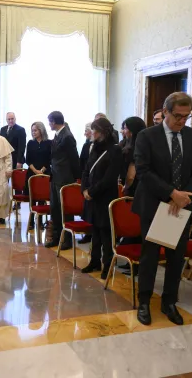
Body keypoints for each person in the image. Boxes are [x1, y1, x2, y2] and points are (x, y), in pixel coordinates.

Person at [133, 92, 192, 326]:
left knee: (176, 257)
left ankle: (169, 301)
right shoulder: (147, 136)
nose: (182, 121)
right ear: (165, 111)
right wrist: (171, 193)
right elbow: (143, 171)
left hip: (180, 206)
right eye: (177, 116)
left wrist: (182, 196)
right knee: (150, 256)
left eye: (186, 116)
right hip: (154, 204)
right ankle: (144, 301)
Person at [81, 119, 123, 278]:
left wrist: (92, 191)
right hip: (92, 197)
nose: (92, 133)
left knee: (106, 233)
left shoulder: (115, 150)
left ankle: (108, 265)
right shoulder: (94, 147)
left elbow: (109, 178)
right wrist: (84, 189)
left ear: (103, 132)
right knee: (95, 231)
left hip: (105, 197)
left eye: (95, 131)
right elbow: (86, 170)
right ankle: (95, 261)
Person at [45, 111, 80, 250]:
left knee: (65, 209)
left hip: (65, 178)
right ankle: (57, 236)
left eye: (49, 121)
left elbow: (74, 158)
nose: (49, 124)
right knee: (55, 209)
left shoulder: (67, 136)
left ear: (54, 122)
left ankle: (67, 239)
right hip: (56, 177)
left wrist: (77, 178)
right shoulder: (58, 134)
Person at [24, 122, 52, 230]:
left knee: (42, 197)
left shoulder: (49, 143)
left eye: (35, 130)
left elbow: (50, 158)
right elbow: (28, 159)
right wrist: (35, 171)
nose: (33, 132)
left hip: (45, 172)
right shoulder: (30, 143)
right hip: (32, 172)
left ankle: (40, 221)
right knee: (33, 197)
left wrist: (42, 170)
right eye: (32, 131)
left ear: (41, 130)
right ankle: (31, 221)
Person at [121, 117, 146, 197]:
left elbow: (131, 176)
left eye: (125, 128)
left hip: (133, 189)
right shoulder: (146, 145)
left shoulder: (132, 148)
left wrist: (126, 186)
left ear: (132, 131)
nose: (123, 131)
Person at [78, 122, 94, 244]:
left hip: (95, 181)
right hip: (87, 179)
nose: (85, 133)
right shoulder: (86, 145)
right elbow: (82, 163)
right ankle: (88, 233)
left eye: (86, 131)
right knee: (87, 209)